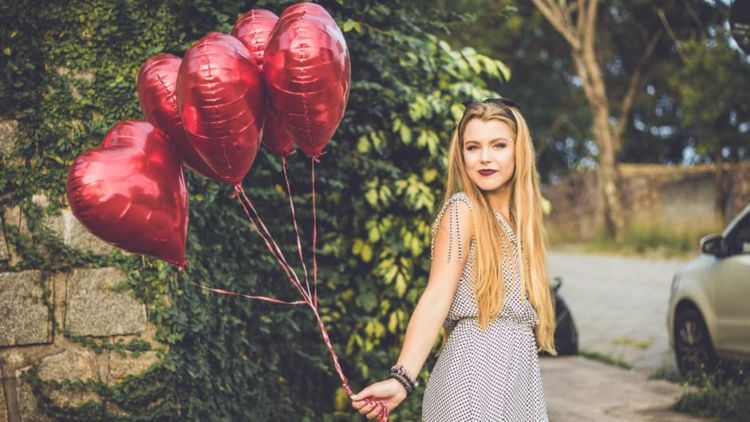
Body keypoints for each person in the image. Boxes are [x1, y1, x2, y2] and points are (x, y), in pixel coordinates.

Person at [350, 98, 557, 421]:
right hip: (474, 371)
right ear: (460, 155)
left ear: (520, 151)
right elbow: (436, 296)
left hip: (517, 374)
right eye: (472, 147)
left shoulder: (522, 221)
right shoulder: (464, 210)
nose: (485, 158)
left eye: (499, 145)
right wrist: (402, 378)